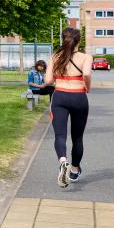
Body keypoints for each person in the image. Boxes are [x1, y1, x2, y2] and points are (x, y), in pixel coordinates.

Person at [43, 28, 91, 187]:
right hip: (79, 97)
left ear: (63, 39)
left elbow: (49, 80)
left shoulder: (55, 56)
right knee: (77, 137)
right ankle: (74, 170)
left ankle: (63, 161)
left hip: (60, 97)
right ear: (79, 40)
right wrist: (87, 87)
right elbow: (87, 74)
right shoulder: (86, 57)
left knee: (60, 135)